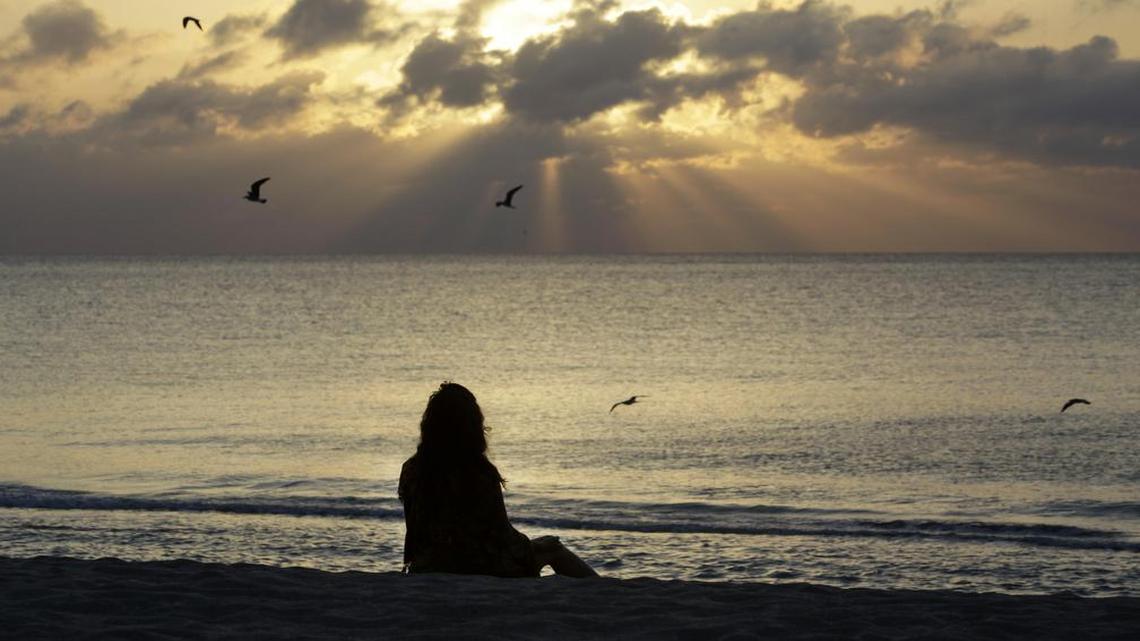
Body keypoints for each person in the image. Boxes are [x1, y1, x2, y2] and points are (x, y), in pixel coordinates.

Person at [398, 382, 598, 578]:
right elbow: (501, 533)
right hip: (476, 567)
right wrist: (532, 546)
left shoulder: (411, 469)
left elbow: (413, 529)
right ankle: (599, 589)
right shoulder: (476, 471)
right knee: (553, 547)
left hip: (427, 565)